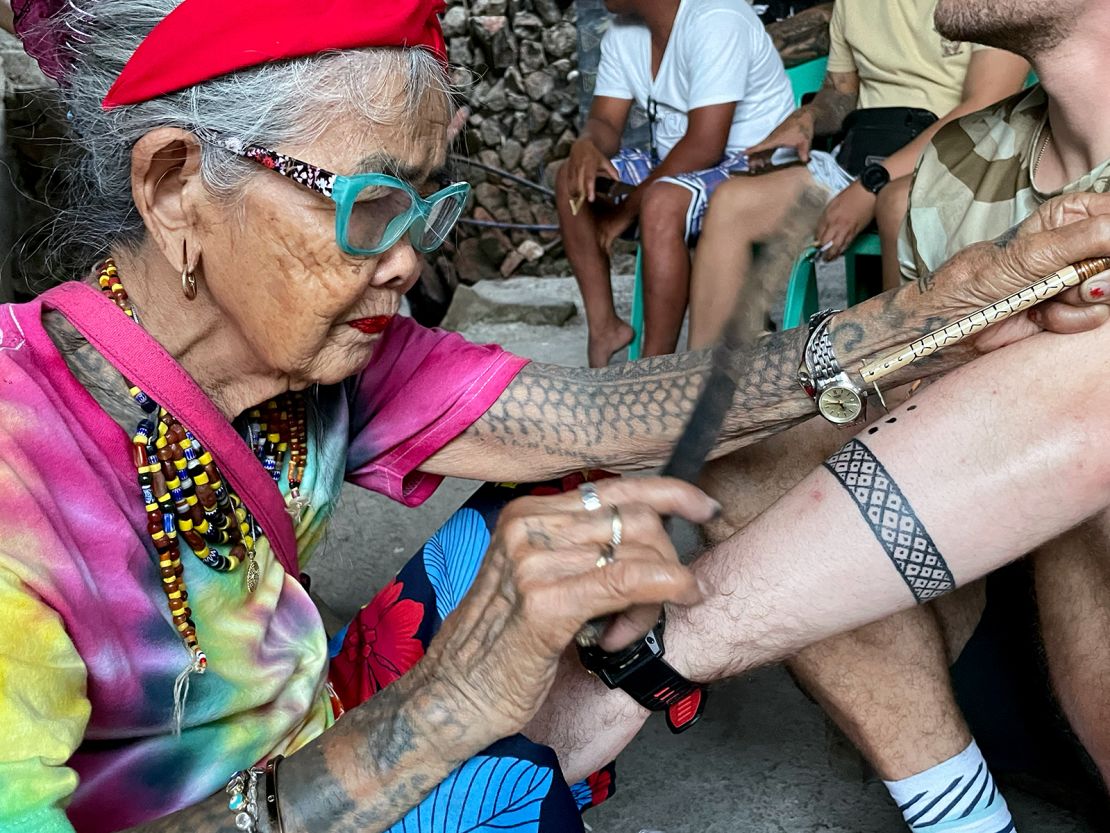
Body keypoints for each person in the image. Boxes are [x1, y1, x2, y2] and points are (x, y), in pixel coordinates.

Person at [2, 1, 1109, 832]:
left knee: (647, 472)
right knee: (498, 777)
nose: (406, 262)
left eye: (427, 207)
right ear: (175, 186)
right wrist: (438, 711)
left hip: (300, 716)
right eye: (370, 205)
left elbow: (597, 413)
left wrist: (939, 312)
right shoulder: (20, 483)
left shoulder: (309, 350)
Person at [546, 5, 1110, 833]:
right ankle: (959, 812)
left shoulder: (719, 27)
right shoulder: (957, 168)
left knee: (1080, 410)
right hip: (1002, 639)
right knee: (748, 442)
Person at [685, 0, 1030, 350]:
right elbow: (840, 92)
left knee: (896, 205)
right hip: (861, 158)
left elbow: (987, 102)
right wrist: (810, 117)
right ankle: (705, 383)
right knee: (731, 202)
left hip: (959, 156)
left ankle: (897, 379)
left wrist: (872, 184)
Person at [555, 0, 795, 366]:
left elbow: (705, 145)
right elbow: (606, 121)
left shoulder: (718, 18)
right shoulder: (624, 32)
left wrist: (626, 210)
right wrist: (586, 145)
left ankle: (655, 367)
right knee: (570, 178)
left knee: (661, 203)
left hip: (753, 167)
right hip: (679, 161)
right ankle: (605, 328)